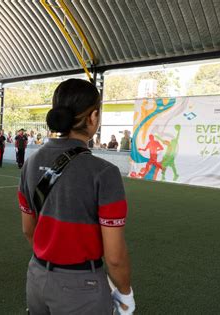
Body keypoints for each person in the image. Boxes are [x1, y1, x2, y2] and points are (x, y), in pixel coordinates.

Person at [18, 79, 135, 314]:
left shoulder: (30, 163)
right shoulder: (104, 172)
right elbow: (114, 257)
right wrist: (125, 294)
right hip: (81, 288)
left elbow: (28, 230)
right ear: (93, 117)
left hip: (37, 278)